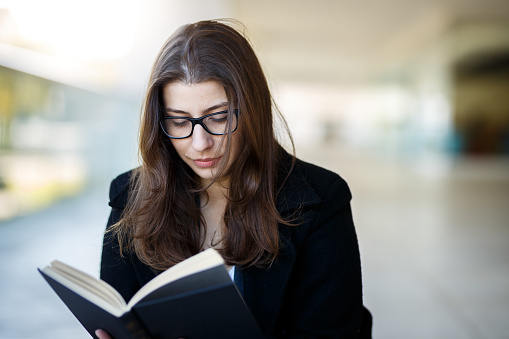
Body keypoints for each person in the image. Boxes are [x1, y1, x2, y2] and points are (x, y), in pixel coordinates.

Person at [96, 19, 372, 339]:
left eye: (219, 117)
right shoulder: (129, 197)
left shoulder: (320, 201)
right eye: (179, 121)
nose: (200, 143)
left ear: (251, 108)